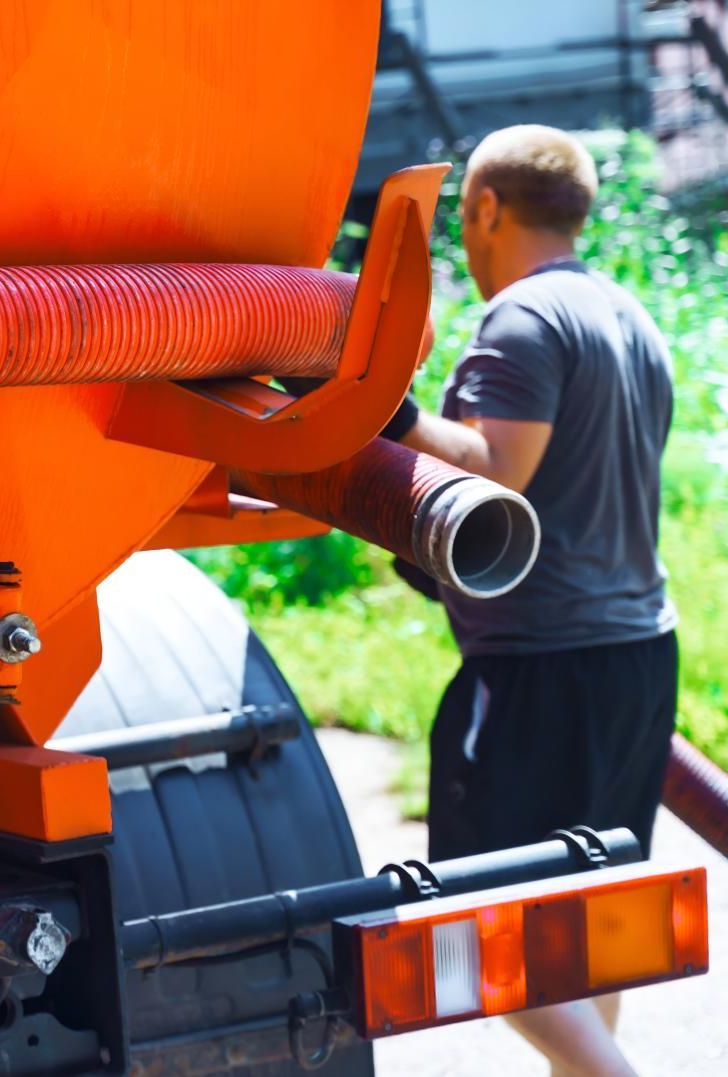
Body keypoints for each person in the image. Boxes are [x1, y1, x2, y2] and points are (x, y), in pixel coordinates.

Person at [383, 125, 678, 1077]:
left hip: (541, 662)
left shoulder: (522, 321)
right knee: (595, 904)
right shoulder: (627, 315)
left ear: (483, 209)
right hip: (639, 651)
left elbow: (497, 469)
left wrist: (383, 417)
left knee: (477, 914)